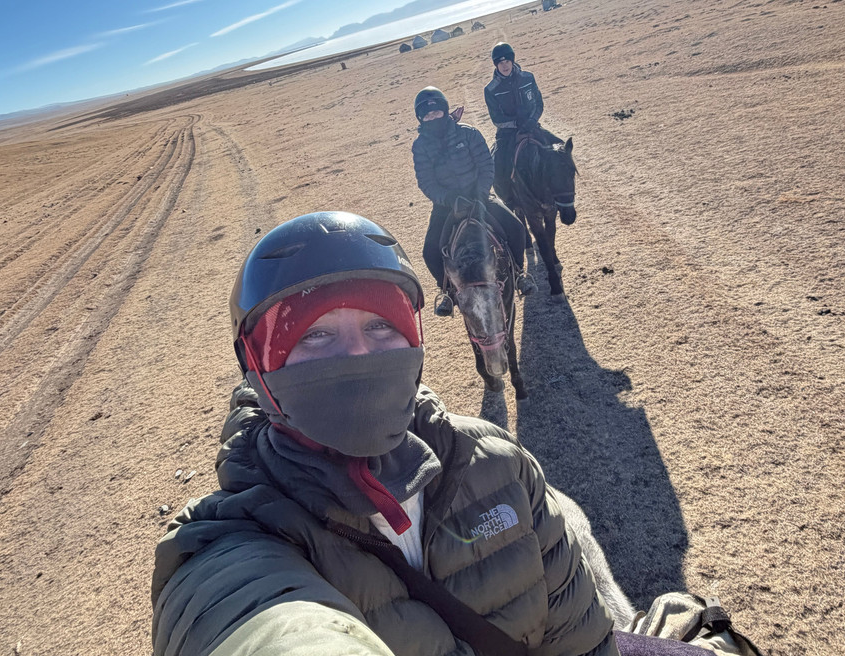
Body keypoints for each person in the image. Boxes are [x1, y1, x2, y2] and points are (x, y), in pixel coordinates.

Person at [150, 211, 620, 656]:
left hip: (477, 185)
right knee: (437, 240)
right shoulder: (227, 543)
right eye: (314, 334)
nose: (358, 354)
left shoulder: (499, 462)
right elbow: (255, 622)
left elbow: (583, 638)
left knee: (512, 227)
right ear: (257, 366)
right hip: (447, 195)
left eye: (380, 325)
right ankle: (447, 289)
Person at [411, 86, 536, 318]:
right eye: (427, 115)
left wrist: (480, 193)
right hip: (446, 205)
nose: (433, 118)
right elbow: (426, 182)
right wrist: (448, 199)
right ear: (421, 119)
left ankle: (519, 273)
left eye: (436, 112)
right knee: (429, 252)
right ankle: (447, 292)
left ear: (445, 111)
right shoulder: (420, 146)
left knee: (517, 228)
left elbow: (486, 165)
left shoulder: (469, 133)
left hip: (479, 195)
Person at [483, 42, 561, 209]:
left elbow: (538, 103)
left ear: (512, 61)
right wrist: (515, 123)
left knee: (561, 148)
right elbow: (496, 119)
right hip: (507, 133)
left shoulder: (528, 78)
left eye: (507, 61)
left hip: (532, 126)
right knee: (498, 166)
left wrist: (532, 120)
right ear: (496, 65)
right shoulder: (490, 89)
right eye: (500, 63)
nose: (505, 66)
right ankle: (509, 200)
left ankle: (561, 194)